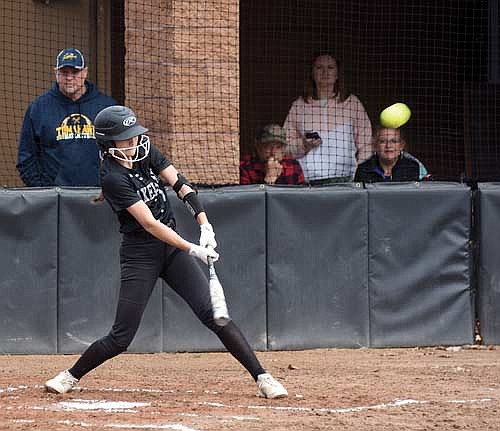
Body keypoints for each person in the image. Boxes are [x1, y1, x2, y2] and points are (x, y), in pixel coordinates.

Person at [44, 105, 288, 399]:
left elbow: (180, 185)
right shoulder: (112, 178)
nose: (134, 142)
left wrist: (204, 224)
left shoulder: (145, 152)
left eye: (134, 136)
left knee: (214, 316)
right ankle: (70, 376)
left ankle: (262, 377)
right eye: (125, 138)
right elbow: (149, 223)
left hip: (171, 251)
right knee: (121, 337)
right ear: (108, 144)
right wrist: (192, 249)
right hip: (140, 255)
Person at [16, 48, 117, 186]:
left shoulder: (107, 107)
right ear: (56, 73)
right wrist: (42, 192)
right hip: (55, 198)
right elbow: (26, 158)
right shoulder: (39, 108)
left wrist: (113, 188)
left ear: (85, 72)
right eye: (64, 73)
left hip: (99, 196)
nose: (69, 78)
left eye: (75, 72)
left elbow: (122, 152)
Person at [283, 53, 373, 184]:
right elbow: (285, 148)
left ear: (337, 74)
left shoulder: (352, 103)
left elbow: (366, 145)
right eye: (319, 67)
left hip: (346, 178)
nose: (325, 72)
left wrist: (360, 175)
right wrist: (303, 144)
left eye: (330, 67)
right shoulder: (299, 106)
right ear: (312, 73)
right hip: (309, 180)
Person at [354, 127, 431, 182]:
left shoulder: (413, 167)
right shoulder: (364, 170)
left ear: (401, 146)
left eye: (394, 141)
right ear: (375, 146)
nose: (388, 146)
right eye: (383, 141)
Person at [240, 124, 304, 185]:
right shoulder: (244, 167)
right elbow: (246, 196)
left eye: (278, 147)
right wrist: (270, 178)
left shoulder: (294, 166)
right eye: (268, 146)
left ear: (284, 149)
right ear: (258, 146)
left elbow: (302, 195)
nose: (273, 152)